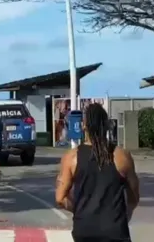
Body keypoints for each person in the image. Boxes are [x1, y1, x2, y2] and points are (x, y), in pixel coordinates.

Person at [55, 103, 139, 242]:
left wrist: (81, 210)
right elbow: (134, 196)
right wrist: (125, 214)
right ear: (107, 125)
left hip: (85, 230)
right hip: (115, 230)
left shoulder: (71, 158)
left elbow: (60, 198)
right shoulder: (122, 156)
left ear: (83, 125)